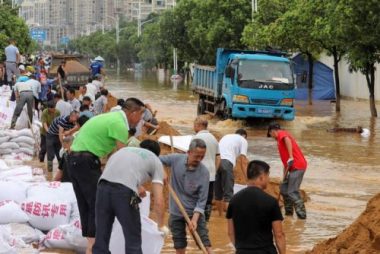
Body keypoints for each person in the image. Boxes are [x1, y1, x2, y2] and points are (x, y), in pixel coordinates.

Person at [68, 97, 145, 254]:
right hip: (85, 161)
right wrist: (137, 184)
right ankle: (93, 247)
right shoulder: (120, 125)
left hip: (74, 160)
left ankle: (91, 246)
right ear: (133, 113)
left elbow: (112, 156)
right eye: (141, 115)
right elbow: (124, 158)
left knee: (87, 205)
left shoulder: (111, 117)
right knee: (98, 204)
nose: (140, 120)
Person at [93, 140, 168, 254]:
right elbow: (159, 200)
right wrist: (161, 225)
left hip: (102, 189)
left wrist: (136, 186)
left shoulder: (122, 151)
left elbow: (115, 174)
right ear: (156, 154)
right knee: (133, 239)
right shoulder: (155, 160)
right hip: (123, 194)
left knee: (101, 238)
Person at [160, 139, 213, 254]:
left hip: (194, 212)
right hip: (175, 212)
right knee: (179, 246)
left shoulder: (204, 172)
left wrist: (194, 219)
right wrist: (162, 170)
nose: (199, 160)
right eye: (196, 156)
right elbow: (155, 160)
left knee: (205, 244)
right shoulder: (176, 159)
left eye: (202, 156)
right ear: (188, 152)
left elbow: (202, 200)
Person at [226, 160, 286, 254]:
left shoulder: (233, 201)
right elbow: (279, 235)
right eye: (267, 176)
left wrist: (241, 249)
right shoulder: (271, 202)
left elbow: (230, 232)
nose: (268, 179)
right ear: (261, 177)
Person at [267, 123, 307, 219]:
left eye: (271, 135)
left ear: (272, 131)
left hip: (298, 166)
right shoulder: (279, 142)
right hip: (291, 168)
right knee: (284, 189)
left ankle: (302, 216)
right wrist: (284, 176)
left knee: (292, 191)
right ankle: (289, 213)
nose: (272, 137)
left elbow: (287, 140)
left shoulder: (282, 134)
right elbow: (286, 163)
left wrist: (291, 156)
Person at [192, 116, 220, 221]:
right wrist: (215, 170)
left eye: (194, 125)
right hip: (211, 174)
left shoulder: (196, 138)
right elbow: (218, 157)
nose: (193, 127)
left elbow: (191, 156)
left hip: (197, 172)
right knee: (208, 198)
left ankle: (195, 218)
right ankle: (206, 219)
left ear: (199, 126)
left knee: (196, 196)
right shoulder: (214, 139)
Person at [215, 129, 248, 215]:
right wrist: (247, 178)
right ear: (244, 136)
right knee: (228, 194)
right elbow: (243, 161)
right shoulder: (243, 140)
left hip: (216, 162)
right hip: (227, 163)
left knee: (218, 193)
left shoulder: (226, 136)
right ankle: (228, 219)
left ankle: (220, 216)